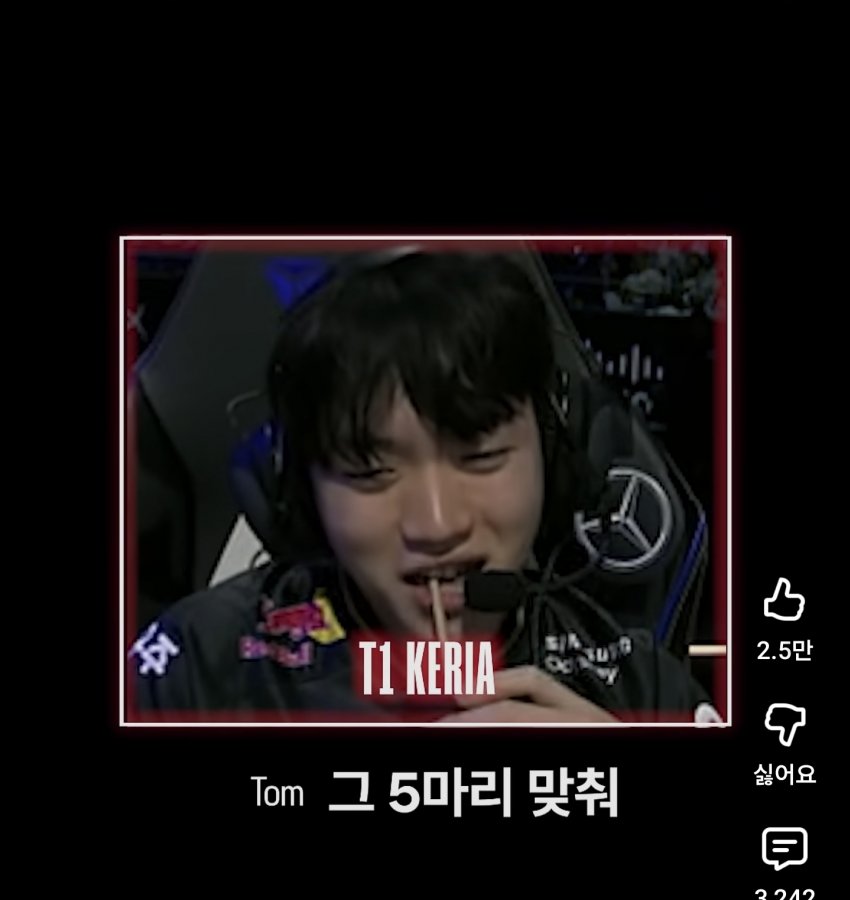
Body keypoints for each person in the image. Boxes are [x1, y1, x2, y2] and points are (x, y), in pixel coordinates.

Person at [131, 250, 720, 723]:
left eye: (482, 456)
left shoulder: (643, 688)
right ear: (302, 494)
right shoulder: (195, 671)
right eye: (368, 471)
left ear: (553, 459)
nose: (437, 526)